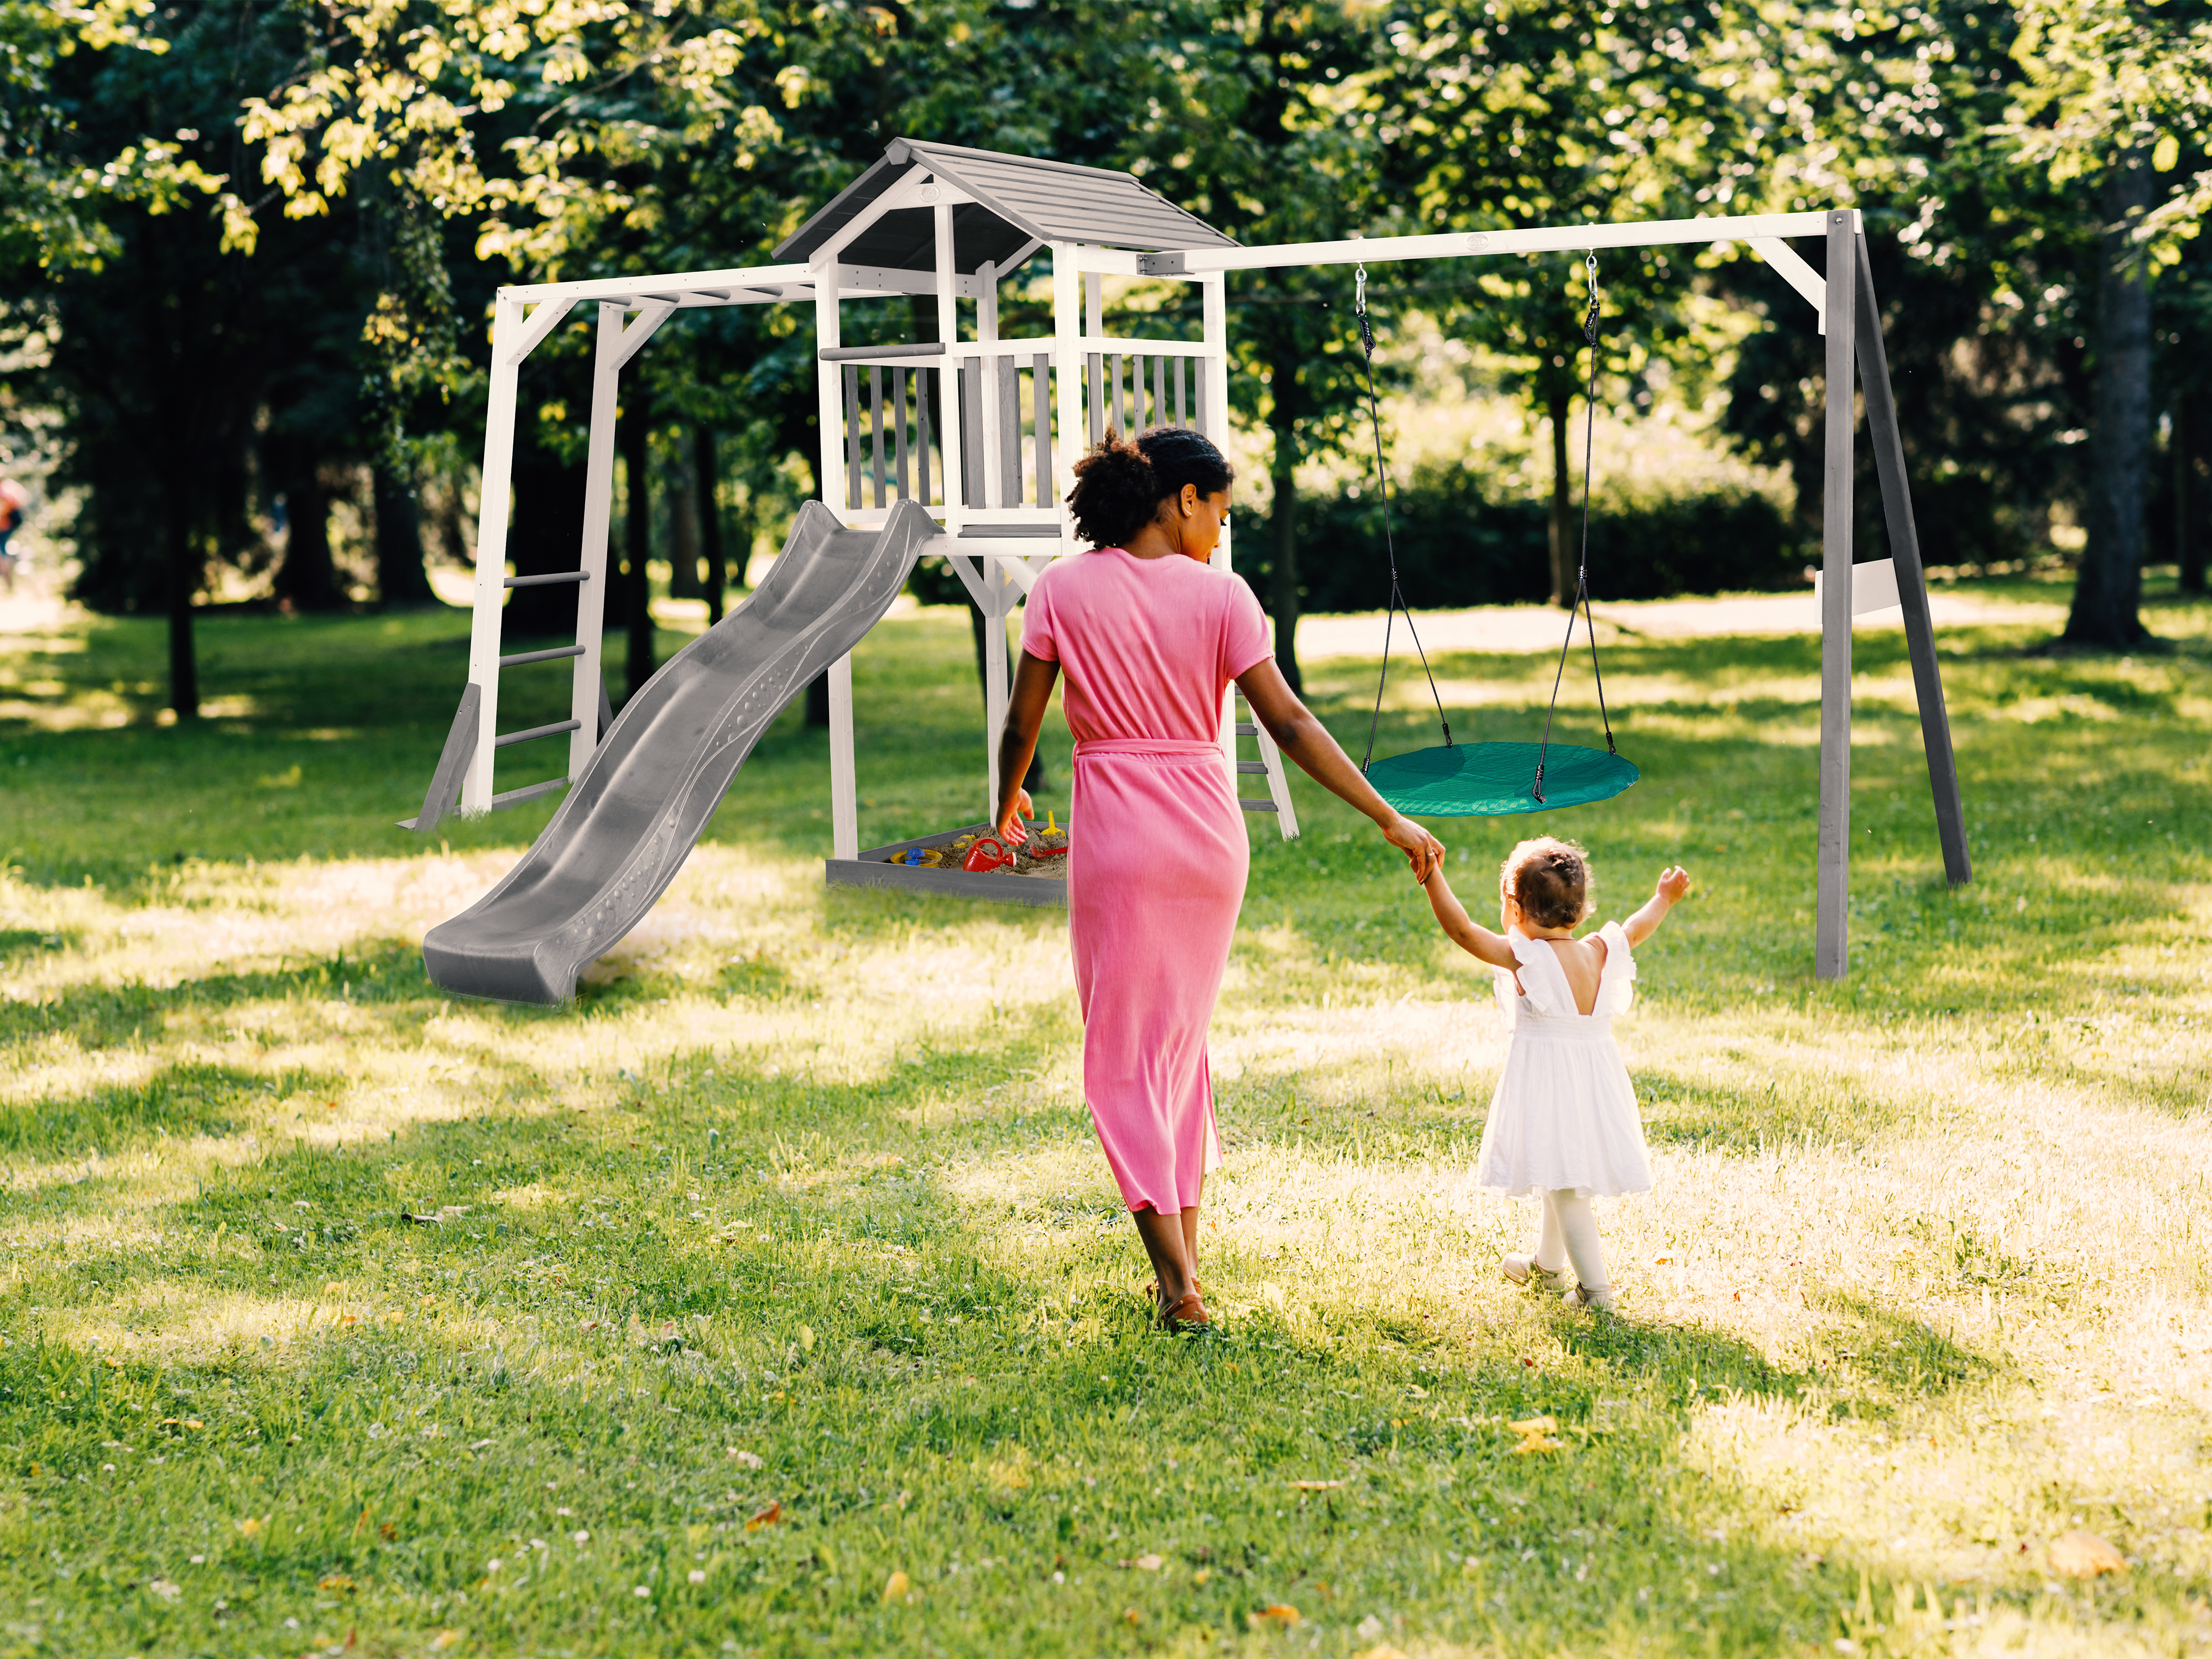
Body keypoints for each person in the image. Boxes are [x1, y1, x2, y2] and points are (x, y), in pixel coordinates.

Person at [994, 427, 1445, 1331]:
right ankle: (1186, 1269)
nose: (1220, 533)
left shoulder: (1060, 590)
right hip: (1208, 840)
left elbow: (1021, 724)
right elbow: (1291, 723)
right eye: (1221, 514)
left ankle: (1177, 1287)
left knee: (1124, 1060)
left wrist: (1004, 806)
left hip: (1121, 840)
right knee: (1176, 1051)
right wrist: (1386, 814)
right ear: (1184, 499)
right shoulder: (1225, 597)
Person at [1418, 837, 1691, 1311]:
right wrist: (1663, 899)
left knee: (1566, 1189)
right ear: (1580, 911)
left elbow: (1462, 930)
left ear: (1515, 908)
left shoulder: (1527, 958)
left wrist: (1431, 876)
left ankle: (1596, 1292)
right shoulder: (1598, 950)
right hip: (1594, 1084)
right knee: (1556, 1170)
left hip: (1551, 1086)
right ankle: (1547, 1267)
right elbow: (1636, 927)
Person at [0, 478, 27, 595]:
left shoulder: (4, 491)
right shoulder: (8, 486)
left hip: (7, 523)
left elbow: (6, 507)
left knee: (2, 550)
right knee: (3, 549)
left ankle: (6, 575)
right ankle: (7, 577)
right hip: (10, 522)